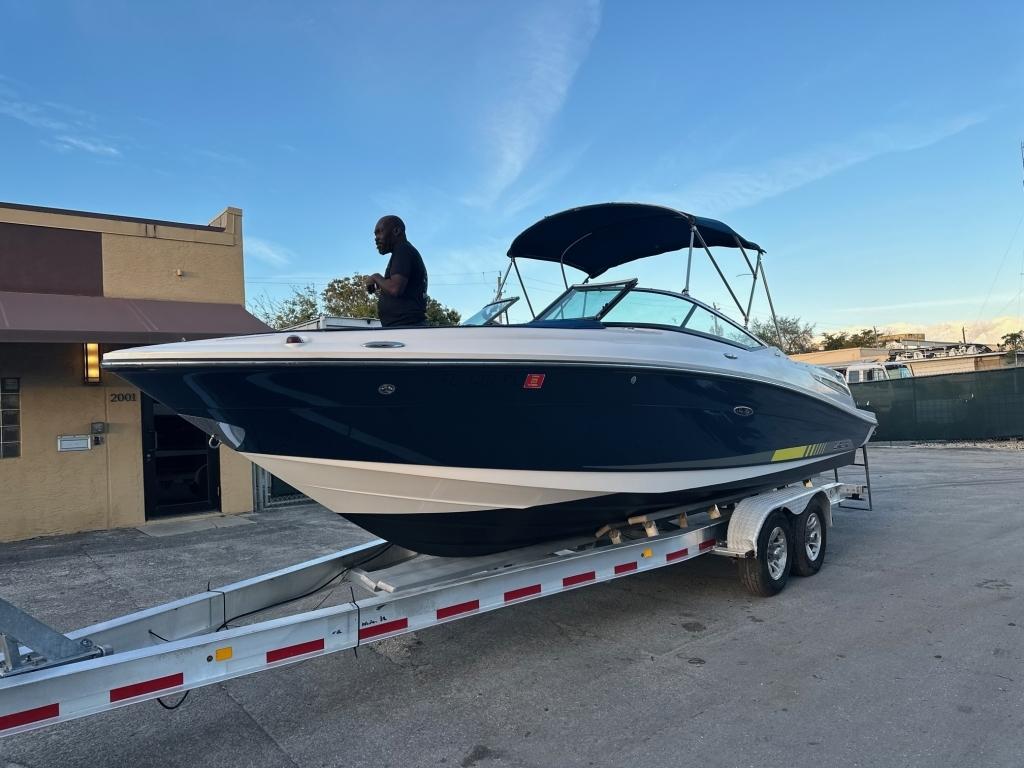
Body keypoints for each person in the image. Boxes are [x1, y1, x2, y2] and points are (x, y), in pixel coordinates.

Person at [366, 215, 428, 328]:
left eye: (380, 232)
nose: (376, 238)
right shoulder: (404, 251)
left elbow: (395, 288)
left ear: (396, 231)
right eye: (375, 234)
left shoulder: (403, 250)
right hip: (406, 328)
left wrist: (375, 277)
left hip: (407, 328)